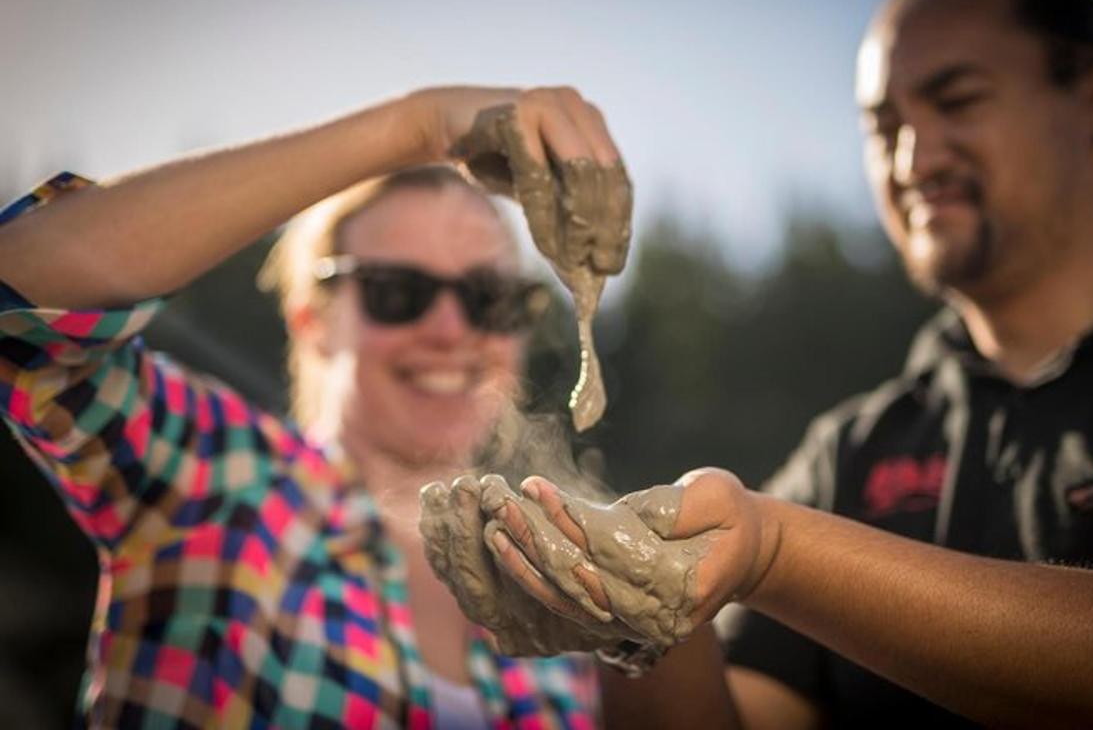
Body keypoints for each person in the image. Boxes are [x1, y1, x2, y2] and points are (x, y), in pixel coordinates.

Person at [461, 0, 1093, 729]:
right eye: (885, 127)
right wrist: (627, 603)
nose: (913, 158)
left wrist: (777, 548)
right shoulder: (852, 449)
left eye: (959, 101)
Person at [0, 86, 629, 727]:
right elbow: (16, 300)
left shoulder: (553, 601)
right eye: (398, 291)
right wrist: (420, 126)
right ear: (314, 318)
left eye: (488, 297)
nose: (450, 330)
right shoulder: (220, 480)